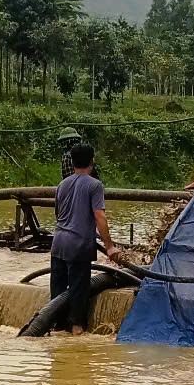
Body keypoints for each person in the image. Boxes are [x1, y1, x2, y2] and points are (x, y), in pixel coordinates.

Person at [50, 143, 120, 335]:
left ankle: (56, 330)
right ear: (92, 161)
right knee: (78, 293)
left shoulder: (62, 184)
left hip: (58, 244)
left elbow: (59, 214)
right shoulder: (95, 185)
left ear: (72, 162)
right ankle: (77, 333)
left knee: (57, 295)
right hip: (78, 246)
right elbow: (100, 216)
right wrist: (110, 246)